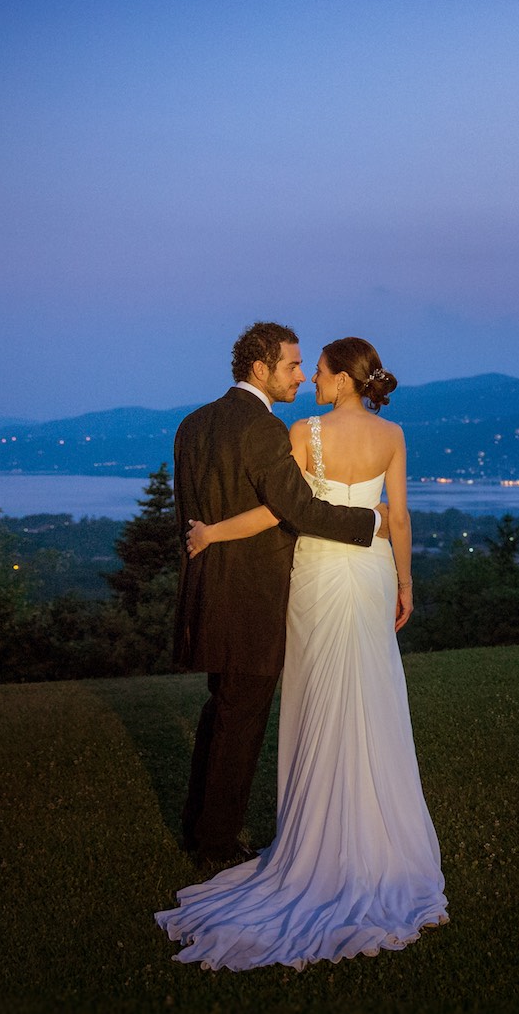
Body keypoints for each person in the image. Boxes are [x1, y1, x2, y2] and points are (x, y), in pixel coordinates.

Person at [156, 335, 448, 969]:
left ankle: (299, 836)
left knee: (311, 698)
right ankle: (373, 834)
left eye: (316, 371)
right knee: (369, 693)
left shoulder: (290, 431)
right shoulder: (392, 435)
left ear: (342, 379)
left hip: (314, 575)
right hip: (368, 571)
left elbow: (273, 512)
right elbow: (395, 518)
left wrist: (209, 533)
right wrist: (403, 581)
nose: (308, 379)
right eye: (300, 367)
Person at [169, 322, 382, 870]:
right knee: (240, 723)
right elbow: (299, 510)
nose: (299, 375)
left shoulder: (191, 425)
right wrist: (370, 522)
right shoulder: (262, 429)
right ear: (260, 368)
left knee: (221, 711)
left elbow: (189, 514)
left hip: (207, 587)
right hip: (252, 595)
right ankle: (216, 846)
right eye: (291, 365)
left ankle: (199, 828)